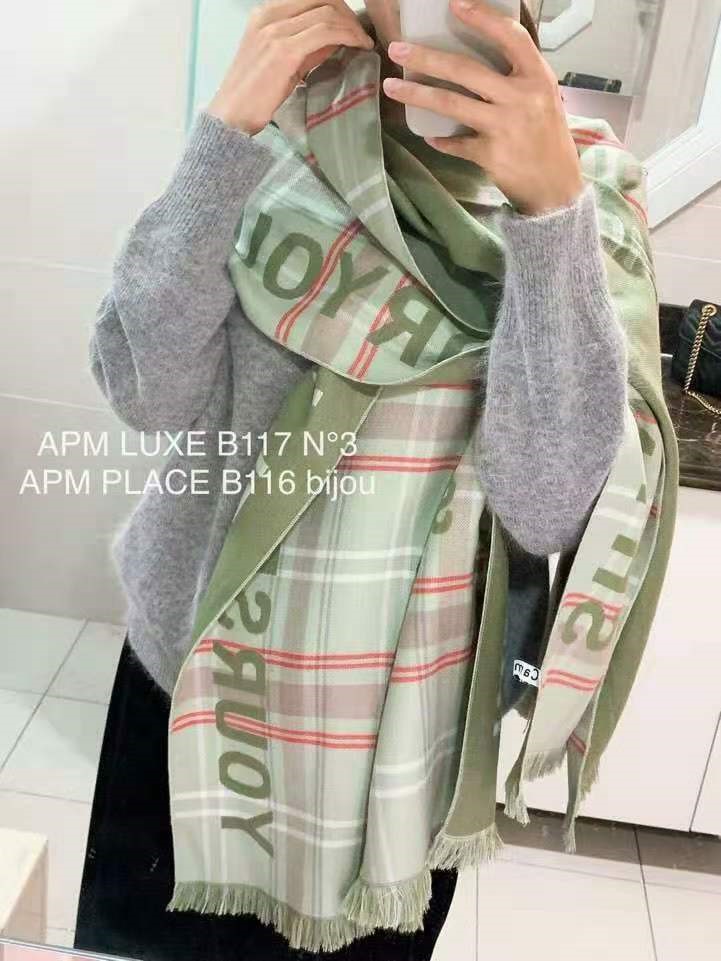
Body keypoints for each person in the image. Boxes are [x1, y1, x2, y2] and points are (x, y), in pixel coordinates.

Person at [74, 2, 629, 960]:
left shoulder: (589, 191)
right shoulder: (271, 138)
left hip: (403, 739)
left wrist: (549, 215)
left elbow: (545, 504)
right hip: (199, 687)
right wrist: (225, 134)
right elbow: (145, 394)